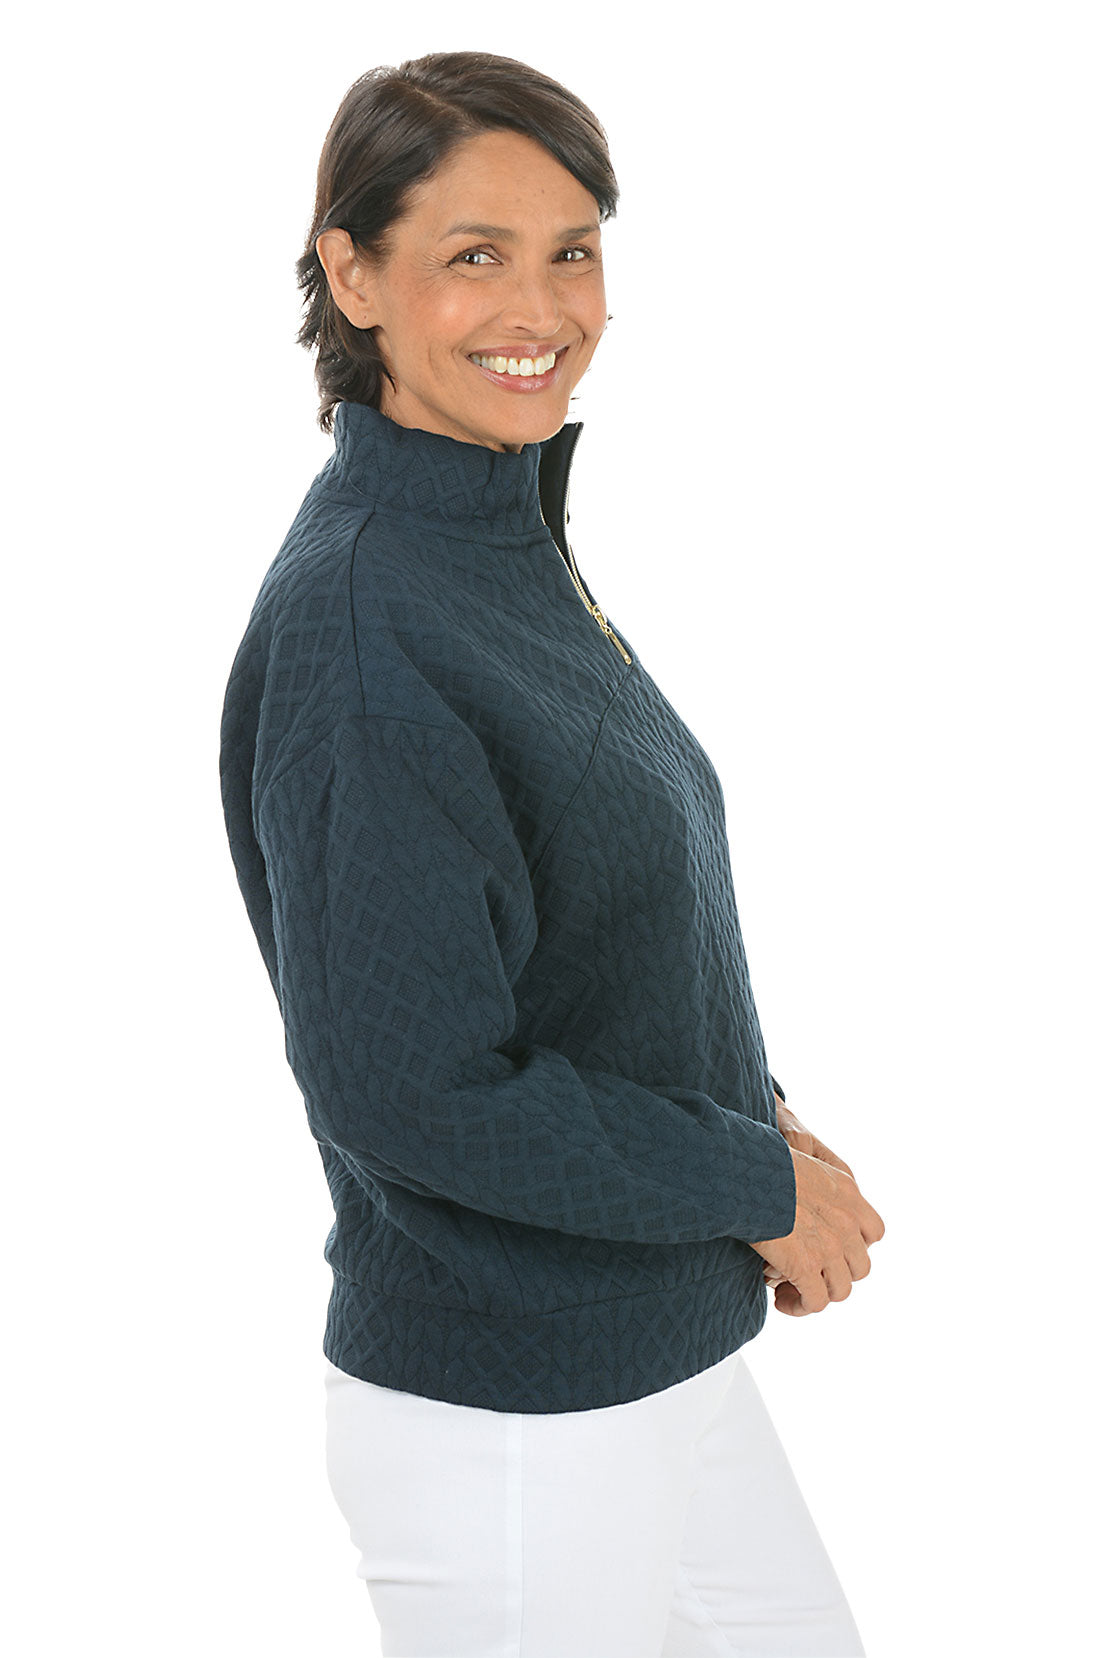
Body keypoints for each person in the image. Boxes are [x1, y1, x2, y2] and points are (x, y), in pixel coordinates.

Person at [219, 49, 885, 1658]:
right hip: (510, 1418)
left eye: (571, 248)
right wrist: (746, 1179)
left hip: (652, 1346)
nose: (542, 305)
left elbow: (596, 927)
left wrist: (768, 1133)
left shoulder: (496, 539)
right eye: (472, 256)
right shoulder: (371, 623)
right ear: (351, 274)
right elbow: (408, 1087)